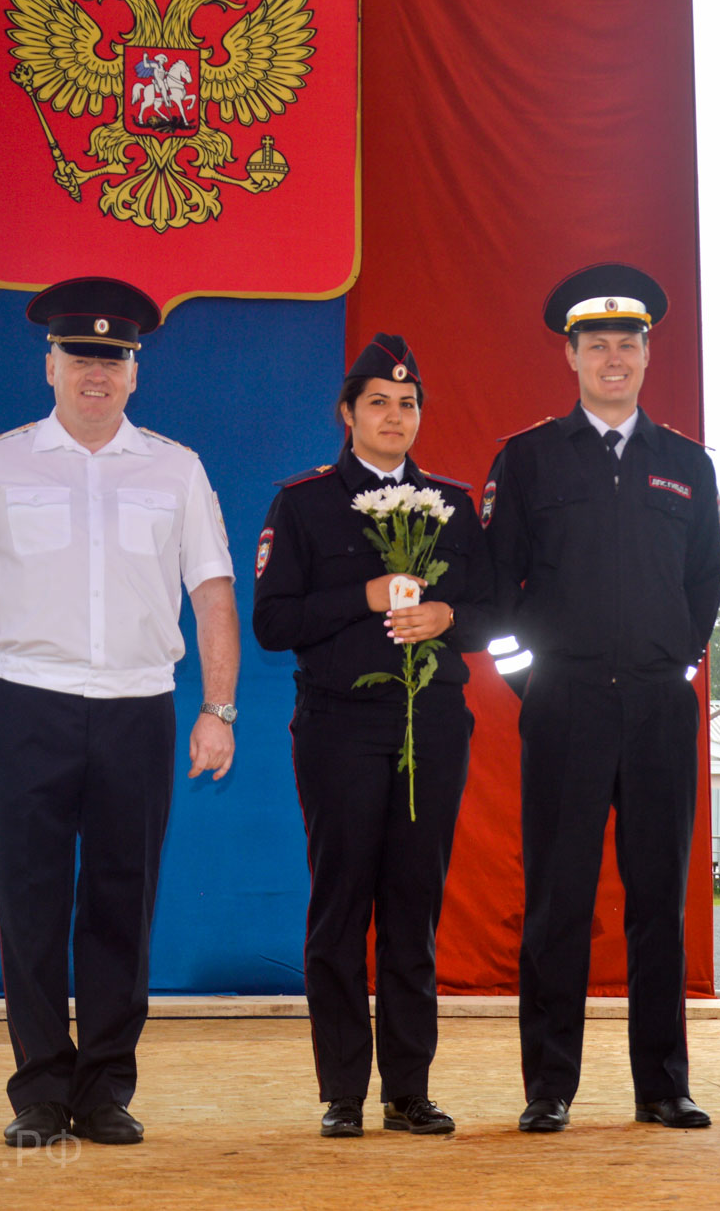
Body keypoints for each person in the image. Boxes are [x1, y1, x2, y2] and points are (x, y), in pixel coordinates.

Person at [0, 277, 238, 1148]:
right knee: (28, 905)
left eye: (114, 359)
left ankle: (103, 1087)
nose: (96, 374)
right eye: (80, 357)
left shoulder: (176, 468)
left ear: (134, 372)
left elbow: (213, 594)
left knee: (120, 905)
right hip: (26, 706)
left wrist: (219, 708)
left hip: (138, 708)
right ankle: (38, 1088)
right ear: (50, 365)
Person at [483, 263, 720, 1133]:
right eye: (597, 344)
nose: (613, 357)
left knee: (659, 897)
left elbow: (705, 585)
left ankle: (663, 1084)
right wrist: (532, 679)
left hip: (659, 709)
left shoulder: (686, 464)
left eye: (629, 343)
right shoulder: (531, 457)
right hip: (567, 705)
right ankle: (548, 1084)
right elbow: (496, 587)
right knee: (558, 897)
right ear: (571, 355)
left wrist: (678, 669)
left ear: (648, 355)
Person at [252, 333, 495, 1139]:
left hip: (432, 727)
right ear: (348, 413)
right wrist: (362, 594)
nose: (396, 415)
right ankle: (343, 1091)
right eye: (379, 402)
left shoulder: (455, 505)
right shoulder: (307, 502)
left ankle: (408, 1089)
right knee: (340, 904)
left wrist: (450, 616)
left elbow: (498, 615)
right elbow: (272, 621)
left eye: (409, 402)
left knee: (414, 907)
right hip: (338, 727)